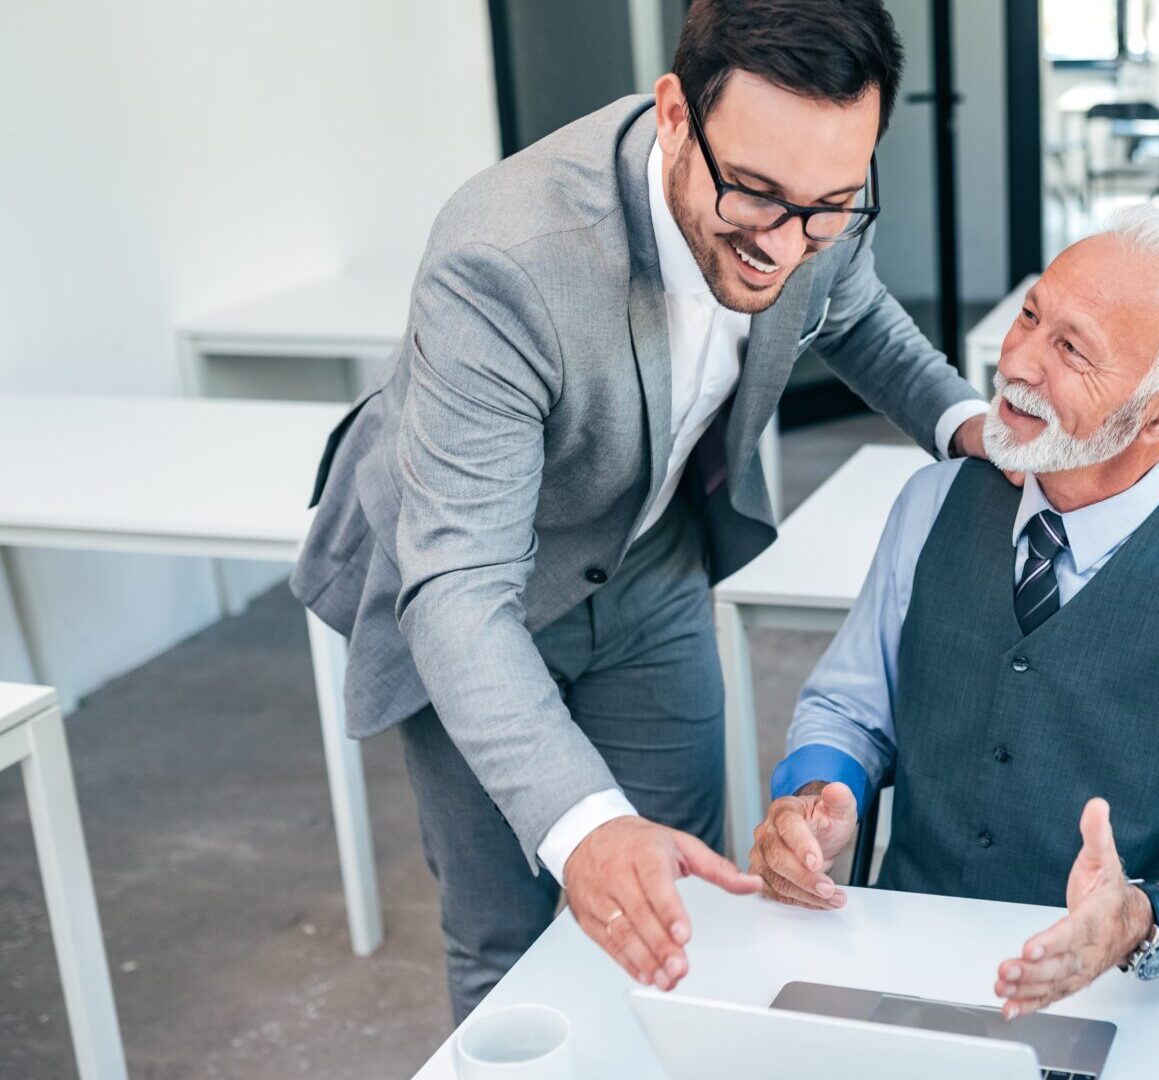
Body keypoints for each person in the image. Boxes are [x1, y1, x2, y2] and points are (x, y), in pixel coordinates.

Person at [291, 0, 995, 1021]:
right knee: (508, 938)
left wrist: (966, 425)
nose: (788, 243)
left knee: (687, 912)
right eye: (755, 195)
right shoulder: (505, 258)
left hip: (649, 559)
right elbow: (458, 591)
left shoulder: (812, 202)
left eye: (831, 205)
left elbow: (854, 313)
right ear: (675, 114)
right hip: (477, 590)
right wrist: (583, 827)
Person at [749, 207, 1159, 1019]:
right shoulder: (930, 504)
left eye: (1071, 349)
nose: (1015, 363)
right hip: (901, 974)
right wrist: (821, 792)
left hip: (1119, 1010)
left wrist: (1153, 920)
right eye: (1030, 314)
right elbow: (847, 707)